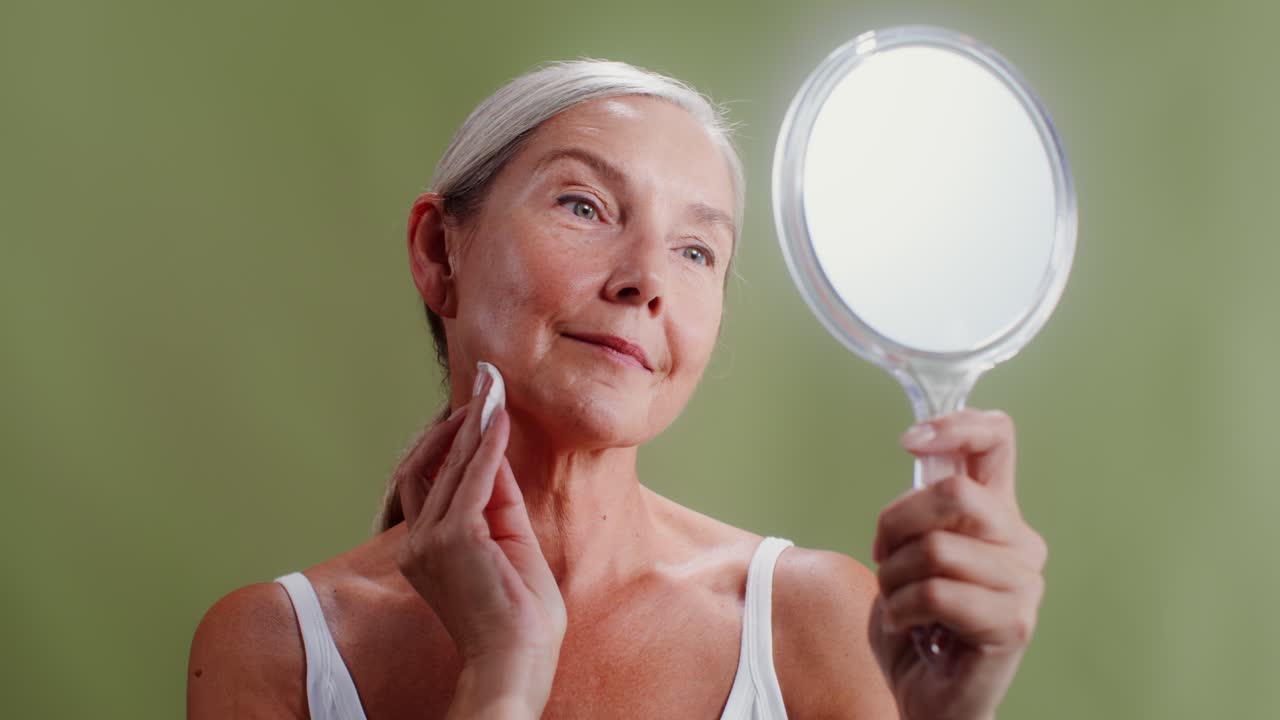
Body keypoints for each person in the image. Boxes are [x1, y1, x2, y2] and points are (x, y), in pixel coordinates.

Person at [187, 60, 1048, 719]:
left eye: (696, 251)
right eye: (585, 206)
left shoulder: (815, 619)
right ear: (439, 252)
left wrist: (945, 717)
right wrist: (501, 674)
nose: (647, 280)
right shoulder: (279, 649)